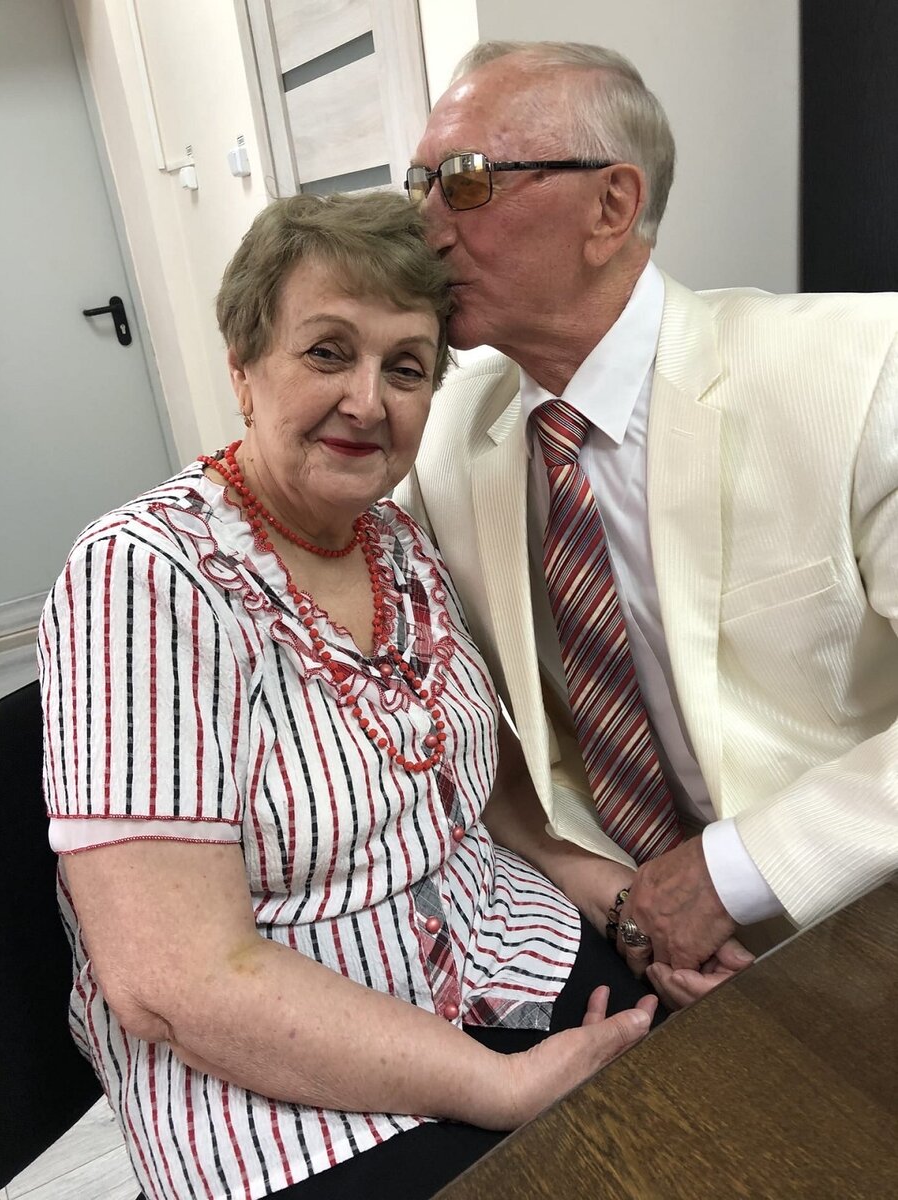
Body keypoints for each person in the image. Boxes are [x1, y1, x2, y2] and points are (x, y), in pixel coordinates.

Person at [38, 191, 657, 1200]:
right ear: (243, 368)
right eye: (327, 352)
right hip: (285, 1092)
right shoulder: (142, 577)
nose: (369, 401)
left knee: (729, 1102)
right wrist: (501, 1088)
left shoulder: (396, 543)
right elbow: (173, 981)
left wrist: (618, 898)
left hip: (507, 957)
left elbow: (483, 780)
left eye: (405, 367)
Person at [395, 40, 898, 1010]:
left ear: (611, 205)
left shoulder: (861, 375)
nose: (422, 228)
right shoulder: (446, 433)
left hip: (853, 916)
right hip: (617, 933)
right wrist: (624, 898)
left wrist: (733, 874)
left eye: (464, 181)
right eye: (418, 184)